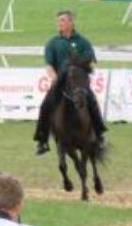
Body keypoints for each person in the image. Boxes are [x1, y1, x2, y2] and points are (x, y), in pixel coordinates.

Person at [34, 10, 107, 155]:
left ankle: (99, 135)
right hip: (60, 82)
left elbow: (91, 62)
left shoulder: (83, 41)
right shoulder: (52, 43)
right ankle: (42, 140)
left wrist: (85, 71)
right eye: (58, 21)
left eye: (62, 20)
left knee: (92, 101)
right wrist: (54, 77)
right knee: (45, 105)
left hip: (78, 81)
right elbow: (49, 64)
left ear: (71, 22)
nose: (59, 23)